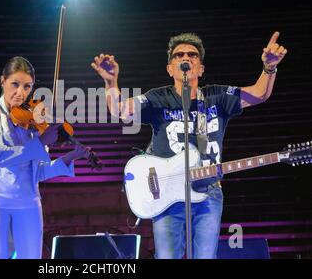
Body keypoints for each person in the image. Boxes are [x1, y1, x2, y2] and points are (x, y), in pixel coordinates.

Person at [90, 32, 287, 258]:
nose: (186, 57)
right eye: (179, 55)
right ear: (170, 68)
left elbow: (259, 94)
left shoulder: (217, 96)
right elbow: (121, 111)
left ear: (201, 68)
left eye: (192, 55)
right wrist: (110, 83)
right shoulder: (158, 98)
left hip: (208, 191)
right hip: (166, 193)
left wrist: (269, 68)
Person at [0, 56, 90, 259]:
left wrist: (68, 158)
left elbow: (38, 171)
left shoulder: (32, 120)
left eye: (27, 87)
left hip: (29, 202)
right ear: (2, 80)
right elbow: (0, 156)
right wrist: (40, 143)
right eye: (15, 84)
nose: (20, 93)